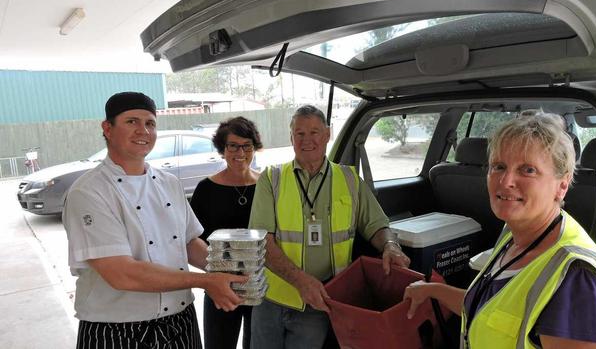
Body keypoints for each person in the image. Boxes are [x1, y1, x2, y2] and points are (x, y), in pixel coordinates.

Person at [403, 111, 596, 348]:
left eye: (528, 170)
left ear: (562, 185)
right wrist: (432, 290)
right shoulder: (514, 235)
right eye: (499, 166)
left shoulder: (578, 283)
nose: (505, 181)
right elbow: (490, 308)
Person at [63, 91, 247, 348]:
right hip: (116, 329)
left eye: (150, 123)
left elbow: (188, 242)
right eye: (132, 122)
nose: (144, 131)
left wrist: (233, 272)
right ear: (107, 128)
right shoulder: (89, 192)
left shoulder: (168, 182)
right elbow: (121, 273)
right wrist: (205, 281)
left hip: (180, 321)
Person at [248, 105, 411, 349]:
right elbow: (261, 240)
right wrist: (301, 281)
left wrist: (390, 245)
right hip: (272, 298)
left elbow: (377, 225)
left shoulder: (349, 179)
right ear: (291, 138)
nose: (307, 140)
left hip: (319, 301)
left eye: (314, 132)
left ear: (327, 135)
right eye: (299, 133)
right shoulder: (272, 178)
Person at [190, 117, 263, 349]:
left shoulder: (267, 186)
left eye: (246, 145)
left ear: (254, 148)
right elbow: (194, 240)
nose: (240, 152)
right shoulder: (205, 189)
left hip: (259, 285)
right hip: (220, 287)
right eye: (233, 146)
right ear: (223, 149)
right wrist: (217, 274)